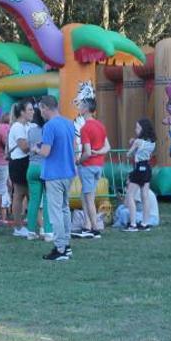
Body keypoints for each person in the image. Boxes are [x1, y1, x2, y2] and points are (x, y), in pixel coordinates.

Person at [37, 95, 77, 261]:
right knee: (64, 208)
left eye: (41, 109)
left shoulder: (49, 126)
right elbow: (75, 147)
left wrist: (35, 149)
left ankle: (60, 248)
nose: (40, 113)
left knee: (55, 212)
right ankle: (66, 245)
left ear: (46, 108)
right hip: (68, 172)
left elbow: (45, 152)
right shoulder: (68, 123)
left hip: (54, 174)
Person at [75, 97, 110, 238]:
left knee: (89, 198)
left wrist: (78, 161)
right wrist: (98, 152)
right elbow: (107, 147)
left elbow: (87, 152)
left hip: (88, 166)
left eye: (81, 106)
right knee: (86, 194)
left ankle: (94, 229)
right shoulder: (100, 125)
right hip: (98, 166)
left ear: (85, 109)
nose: (79, 108)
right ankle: (87, 225)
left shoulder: (85, 128)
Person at [123, 118, 157, 232]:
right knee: (145, 196)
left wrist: (133, 144)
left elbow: (129, 154)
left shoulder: (138, 142)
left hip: (138, 168)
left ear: (143, 129)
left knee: (130, 195)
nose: (135, 129)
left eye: (137, 127)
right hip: (147, 168)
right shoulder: (152, 142)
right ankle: (145, 223)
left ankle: (132, 224)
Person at [8, 100, 34, 238]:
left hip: (24, 161)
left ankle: (25, 223)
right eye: (30, 109)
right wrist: (37, 144)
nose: (33, 112)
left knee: (25, 194)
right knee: (20, 194)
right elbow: (24, 147)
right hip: (19, 162)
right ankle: (18, 226)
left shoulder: (28, 125)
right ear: (22, 112)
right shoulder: (17, 127)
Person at [26, 107, 53, 241]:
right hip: (46, 167)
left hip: (32, 167)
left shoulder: (30, 131)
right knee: (48, 200)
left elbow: (28, 147)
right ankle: (48, 231)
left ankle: (30, 231)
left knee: (33, 201)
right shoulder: (48, 130)